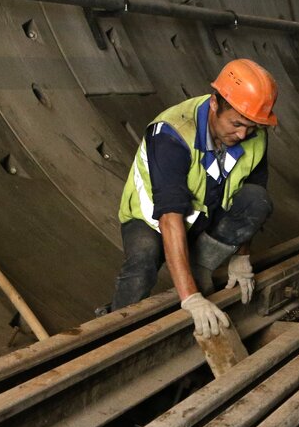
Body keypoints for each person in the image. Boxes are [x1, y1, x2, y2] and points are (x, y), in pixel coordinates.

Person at [108, 59, 277, 338]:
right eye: (236, 123)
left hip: (204, 214)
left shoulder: (252, 133)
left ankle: (200, 268)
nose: (243, 134)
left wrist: (241, 254)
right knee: (144, 259)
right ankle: (114, 331)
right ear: (214, 104)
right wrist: (190, 298)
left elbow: (253, 191)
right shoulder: (172, 134)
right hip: (153, 218)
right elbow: (169, 217)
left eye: (252, 126)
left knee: (257, 200)